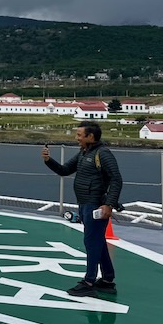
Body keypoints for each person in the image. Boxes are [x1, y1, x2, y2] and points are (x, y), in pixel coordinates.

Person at [42, 121, 123, 296]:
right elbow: (64, 170)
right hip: (85, 204)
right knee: (97, 242)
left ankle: (89, 281)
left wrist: (109, 204)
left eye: (80, 135)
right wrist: (49, 160)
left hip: (95, 204)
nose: (77, 138)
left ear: (90, 137)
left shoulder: (103, 154)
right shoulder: (84, 153)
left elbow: (116, 179)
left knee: (91, 242)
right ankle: (108, 279)